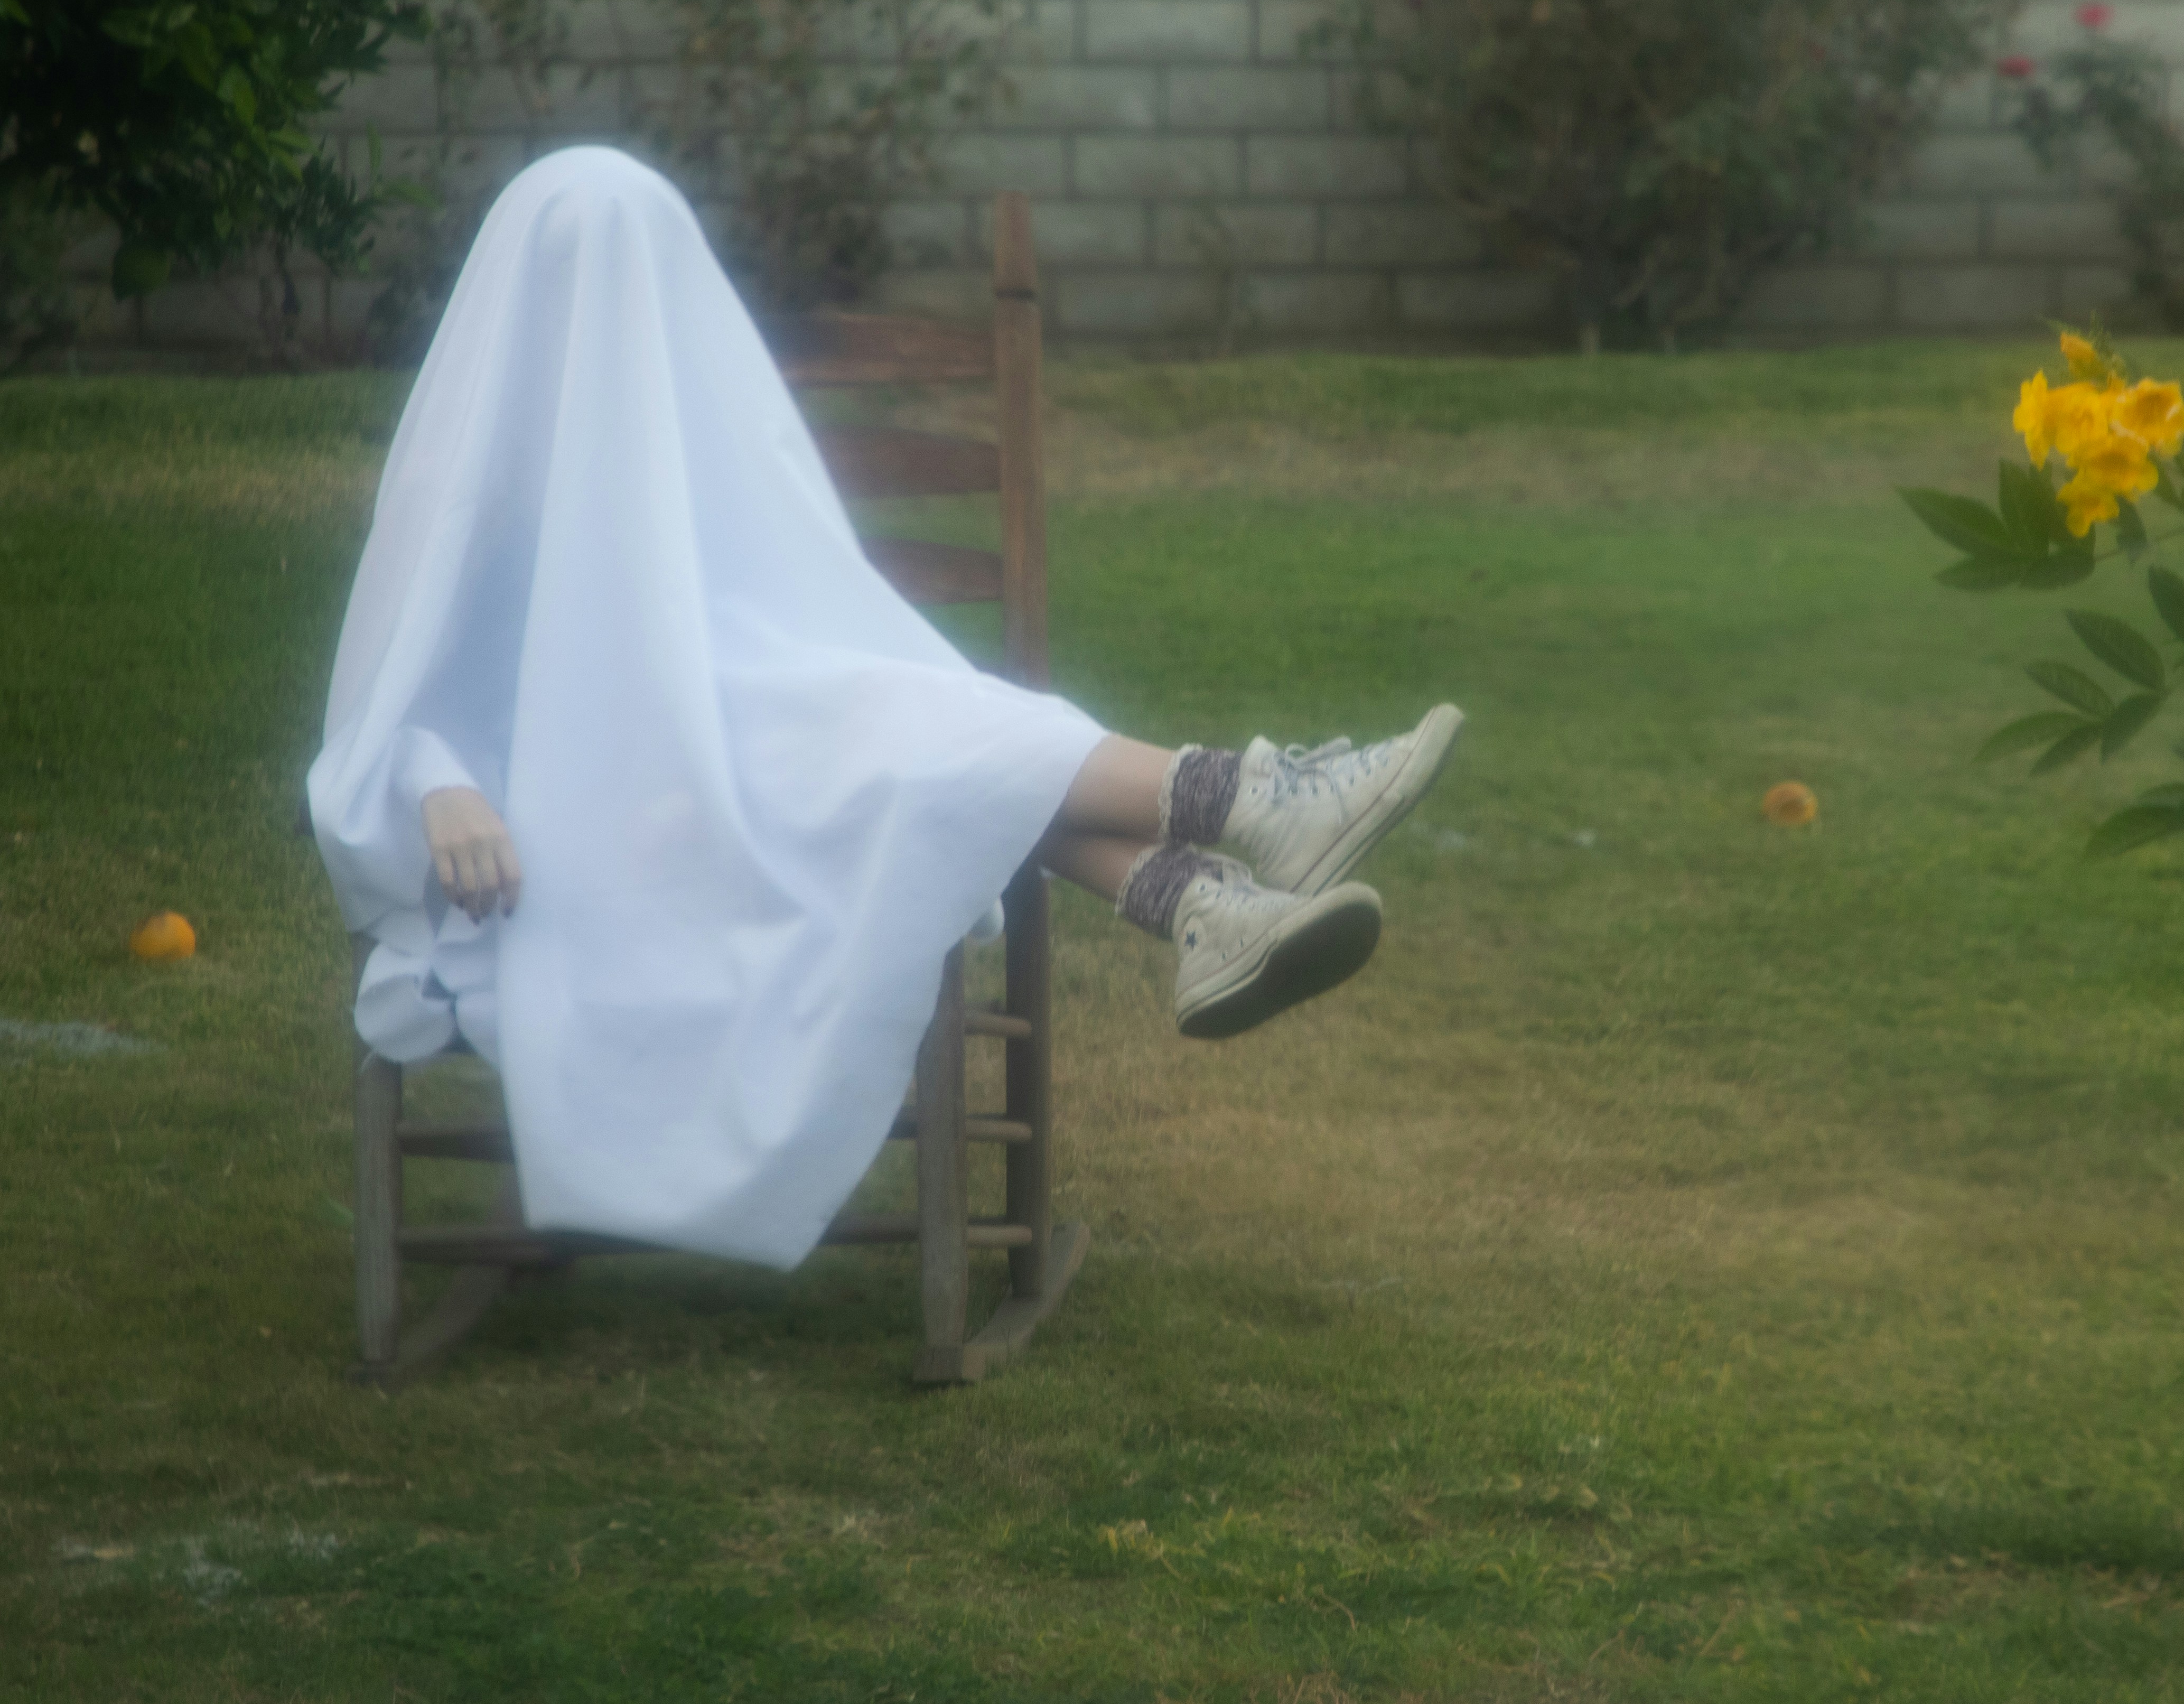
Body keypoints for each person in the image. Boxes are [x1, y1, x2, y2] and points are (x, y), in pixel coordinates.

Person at [306, 146, 1460, 1268]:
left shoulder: (684, 458)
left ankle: (1212, 895)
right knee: (877, 733)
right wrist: (438, 783)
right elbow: (389, 701)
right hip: (575, 847)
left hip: (754, 782)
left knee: (871, 721)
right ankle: (1231, 825)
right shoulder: (470, 481)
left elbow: (795, 628)